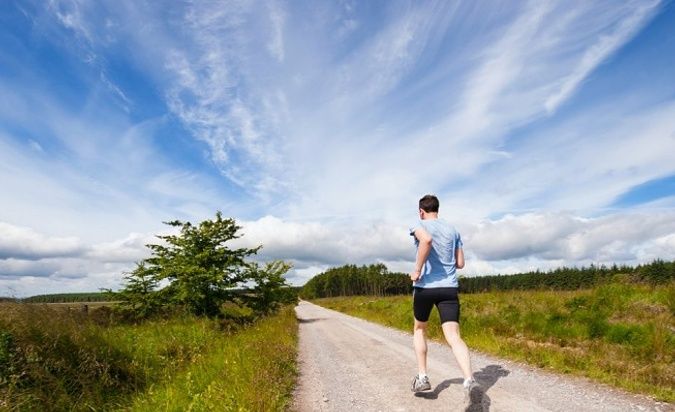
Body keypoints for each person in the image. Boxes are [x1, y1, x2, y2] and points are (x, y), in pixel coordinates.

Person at [409, 194, 475, 397]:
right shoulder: (453, 230)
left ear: (421, 211)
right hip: (449, 288)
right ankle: (469, 379)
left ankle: (422, 377)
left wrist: (418, 270)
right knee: (454, 337)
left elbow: (426, 240)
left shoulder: (418, 225)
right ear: (437, 210)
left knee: (420, 329)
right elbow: (460, 263)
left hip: (425, 287)